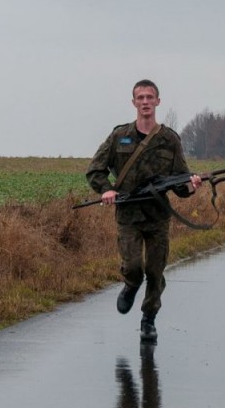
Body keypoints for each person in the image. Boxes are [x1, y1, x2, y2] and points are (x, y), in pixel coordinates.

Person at [86, 79, 202, 343]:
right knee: (134, 266)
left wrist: (192, 186)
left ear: (158, 102)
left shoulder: (169, 139)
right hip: (128, 216)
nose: (146, 102)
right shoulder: (119, 136)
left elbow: (180, 181)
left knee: (155, 271)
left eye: (150, 97)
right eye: (141, 97)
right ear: (134, 103)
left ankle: (148, 319)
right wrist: (106, 189)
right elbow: (94, 170)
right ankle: (130, 285)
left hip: (158, 216)